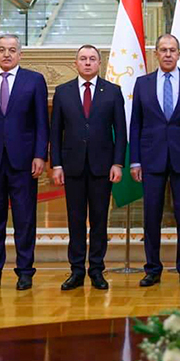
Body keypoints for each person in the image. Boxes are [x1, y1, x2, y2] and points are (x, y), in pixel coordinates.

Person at [0, 34, 49, 291]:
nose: (6, 54)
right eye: (2, 49)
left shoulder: (34, 80)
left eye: (12, 50)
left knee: (24, 220)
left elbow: (42, 123)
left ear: (20, 54)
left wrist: (40, 155)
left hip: (24, 162)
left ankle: (25, 271)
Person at [129, 34, 180, 287]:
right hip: (151, 158)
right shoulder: (142, 83)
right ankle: (152, 269)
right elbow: (136, 125)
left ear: (179, 54)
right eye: (163, 50)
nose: (167, 54)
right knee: (151, 216)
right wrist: (135, 161)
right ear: (156, 53)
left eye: (172, 50)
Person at [50, 45, 126, 291]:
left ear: (99, 63)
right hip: (72, 166)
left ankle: (96, 269)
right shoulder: (62, 92)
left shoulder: (112, 91)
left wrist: (117, 163)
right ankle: (76, 270)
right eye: (83, 59)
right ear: (76, 63)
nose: (87, 63)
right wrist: (56, 164)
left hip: (102, 167)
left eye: (92, 59)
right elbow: (55, 132)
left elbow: (121, 131)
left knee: (99, 220)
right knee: (75, 219)